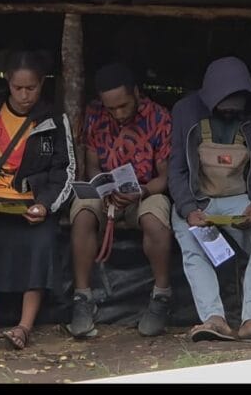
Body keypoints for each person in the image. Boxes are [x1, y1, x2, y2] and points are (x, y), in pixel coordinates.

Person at [0, 50, 75, 350]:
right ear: (7, 82)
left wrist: (45, 205)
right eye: (18, 88)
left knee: (41, 243)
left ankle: (24, 328)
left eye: (31, 88)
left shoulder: (54, 119)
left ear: (42, 83)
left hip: (32, 203)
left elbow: (65, 170)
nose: (24, 95)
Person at [169, 56, 251, 343]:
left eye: (236, 107)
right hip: (198, 200)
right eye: (224, 106)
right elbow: (177, 170)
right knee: (192, 242)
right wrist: (188, 210)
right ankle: (214, 318)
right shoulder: (185, 111)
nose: (230, 112)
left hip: (239, 199)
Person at [68, 63, 173, 338]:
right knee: (82, 212)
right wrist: (102, 190)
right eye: (111, 108)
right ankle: (82, 298)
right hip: (108, 195)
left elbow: (165, 177)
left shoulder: (159, 118)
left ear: (136, 92)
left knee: (155, 220)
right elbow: (93, 165)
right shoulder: (94, 115)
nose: (118, 113)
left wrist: (142, 192)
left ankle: (161, 296)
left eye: (123, 105)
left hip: (146, 191)